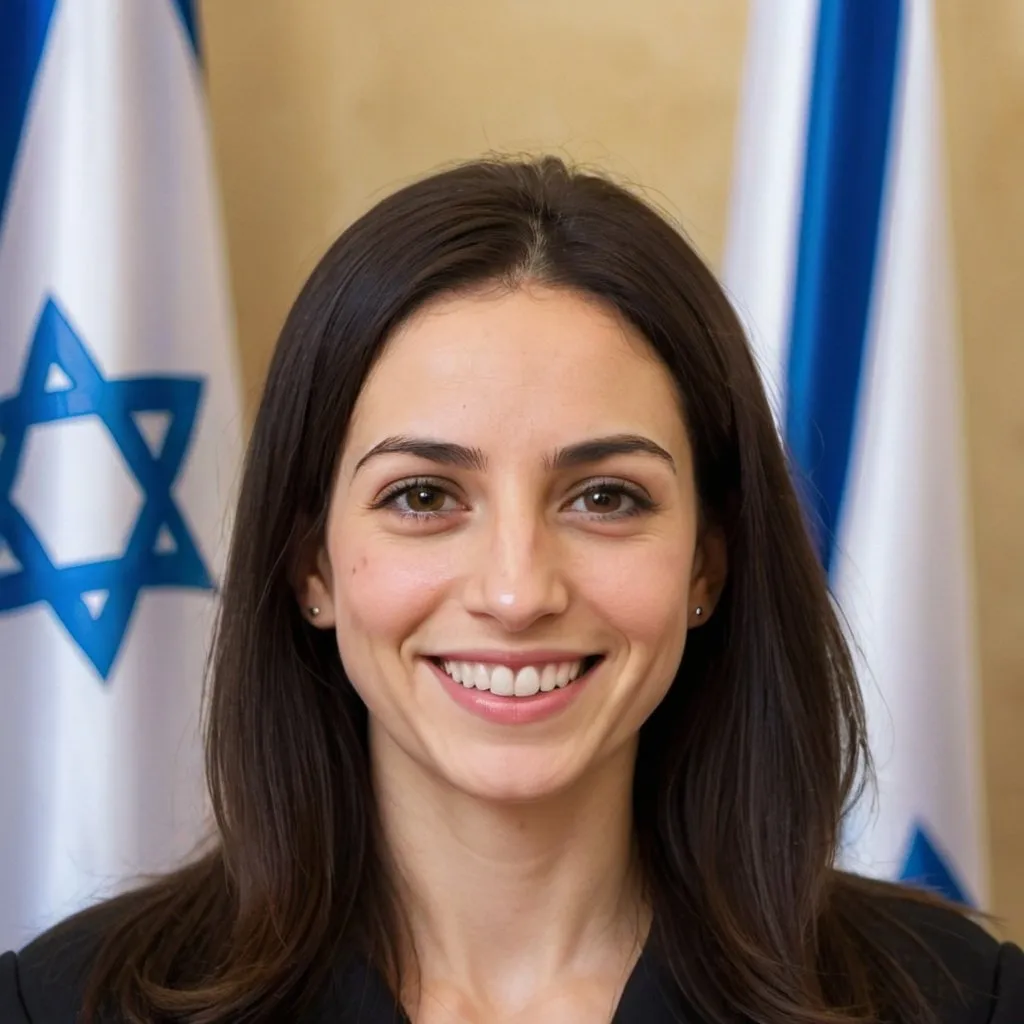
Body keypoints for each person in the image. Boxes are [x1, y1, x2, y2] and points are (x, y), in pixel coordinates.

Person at [1, 156, 1021, 1024]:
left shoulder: (953, 1000)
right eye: (424, 494)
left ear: (708, 562)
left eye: (607, 496)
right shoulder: (67, 1004)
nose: (516, 588)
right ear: (307, 563)